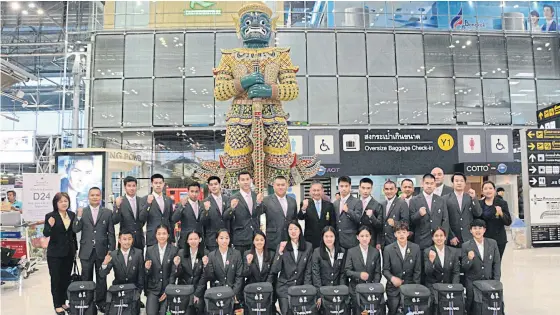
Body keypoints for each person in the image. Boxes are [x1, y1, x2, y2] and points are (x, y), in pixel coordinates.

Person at [73, 187, 115, 312]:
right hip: (86, 251)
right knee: (86, 278)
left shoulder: (107, 212)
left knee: (101, 278)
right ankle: (87, 301)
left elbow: (111, 233)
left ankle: (101, 302)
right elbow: (76, 229)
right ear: (88, 197)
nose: (95, 197)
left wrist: (111, 251)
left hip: (102, 251)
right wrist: (78, 217)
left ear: (101, 197)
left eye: (97, 195)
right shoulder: (82, 211)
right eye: (92, 195)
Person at [44, 192, 77, 315]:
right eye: (61, 201)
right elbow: (46, 233)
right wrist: (50, 225)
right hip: (55, 254)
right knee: (56, 280)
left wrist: (75, 250)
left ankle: (64, 302)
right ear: (56, 203)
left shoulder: (72, 215)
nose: (64, 203)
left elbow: (72, 234)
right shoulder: (50, 216)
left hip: (69, 253)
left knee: (65, 279)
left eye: (66, 201)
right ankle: (57, 305)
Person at [270, 221, 313, 315]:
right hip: (284, 288)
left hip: (300, 287)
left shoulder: (308, 246)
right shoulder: (282, 246)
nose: (293, 231)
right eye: (290, 229)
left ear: (300, 231)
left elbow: (308, 271)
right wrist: (280, 253)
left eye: (295, 229)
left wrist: (306, 289)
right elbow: (275, 269)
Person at [99, 230, 145, 314]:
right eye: (124, 239)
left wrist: (138, 292)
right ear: (119, 240)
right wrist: (104, 264)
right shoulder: (113, 254)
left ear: (132, 240)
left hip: (133, 290)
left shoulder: (138, 253)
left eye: (129, 239)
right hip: (118, 290)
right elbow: (102, 275)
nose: (127, 242)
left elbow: (141, 275)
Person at [462, 219, 501, 313]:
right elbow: (464, 267)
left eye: (480, 228)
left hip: (489, 282)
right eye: (475, 228)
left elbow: (496, 264)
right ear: (471, 230)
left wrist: (495, 282)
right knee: (472, 308)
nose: (478, 231)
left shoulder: (493, 243)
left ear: (484, 230)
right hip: (473, 284)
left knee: (489, 308)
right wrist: (469, 259)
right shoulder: (466, 246)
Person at [382, 222, 421, 315]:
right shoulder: (388, 249)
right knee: (393, 311)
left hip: (410, 288)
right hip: (393, 289)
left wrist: (414, 288)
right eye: (398, 232)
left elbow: (417, 271)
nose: (401, 235)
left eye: (404, 232)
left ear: (408, 233)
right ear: (395, 234)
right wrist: (392, 278)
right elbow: (385, 270)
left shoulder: (415, 248)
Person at [344, 226, 382, 314]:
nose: (364, 238)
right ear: (357, 237)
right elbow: (347, 271)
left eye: (367, 236)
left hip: (371, 291)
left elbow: (377, 272)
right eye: (362, 236)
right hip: (355, 290)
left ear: (370, 237)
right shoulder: (351, 251)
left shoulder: (375, 252)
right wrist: (359, 275)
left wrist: (374, 287)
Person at [201, 229, 244, 306]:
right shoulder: (211, 255)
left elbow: (239, 276)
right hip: (217, 293)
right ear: (216, 240)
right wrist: (206, 265)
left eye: (227, 238)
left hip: (233, 293)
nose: (224, 241)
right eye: (221, 238)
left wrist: (233, 293)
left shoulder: (236, 254)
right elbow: (210, 277)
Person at [223, 171, 262, 255]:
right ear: (238, 181)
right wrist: (232, 208)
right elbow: (225, 217)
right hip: (240, 239)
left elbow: (257, 214)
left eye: (247, 179)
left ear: (251, 180)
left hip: (255, 237)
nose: (245, 182)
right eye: (243, 180)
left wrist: (259, 204)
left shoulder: (256, 196)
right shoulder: (233, 198)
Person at [257, 176, 298, 253]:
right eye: (278, 185)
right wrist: (258, 203)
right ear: (273, 186)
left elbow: (295, 220)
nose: (280, 187)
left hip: (289, 239)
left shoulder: (292, 201)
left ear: (287, 186)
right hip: (273, 240)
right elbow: (257, 214)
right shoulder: (266, 200)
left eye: (283, 185)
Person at [144, 225, 179, 315]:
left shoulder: (174, 250)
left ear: (168, 235)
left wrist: (168, 290)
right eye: (159, 234)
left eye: (164, 233)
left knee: (165, 313)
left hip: (167, 288)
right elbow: (147, 273)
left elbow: (173, 273)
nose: (161, 236)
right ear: (155, 235)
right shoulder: (150, 250)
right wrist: (147, 269)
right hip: (153, 289)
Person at [423, 227, 460, 310]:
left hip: (448, 287)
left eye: (441, 235)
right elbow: (427, 273)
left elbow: (456, 272)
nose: (439, 238)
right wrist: (431, 261)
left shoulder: (453, 251)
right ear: (432, 238)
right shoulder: (427, 251)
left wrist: (454, 288)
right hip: (433, 288)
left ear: (445, 237)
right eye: (436, 236)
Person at [409, 174, 449, 250]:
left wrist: (444, 238)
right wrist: (419, 214)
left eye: (431, 183)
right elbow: (411, 220)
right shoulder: (414, 200)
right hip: (421, 241)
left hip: (438, 241)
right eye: (427, 183)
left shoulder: (441, 200)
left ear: (435, 185)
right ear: (422, 184)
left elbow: (445, 220)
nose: (429, 186)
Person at [173, 230, 208, 315]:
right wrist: (177, 266)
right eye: (191, 239)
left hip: (198, 289)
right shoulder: (181, 253)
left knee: (200, 307)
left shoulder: (205, 253)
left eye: (195, 239)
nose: (193, 241)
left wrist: (197, 294)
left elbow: (205, 277)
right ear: (187, 241)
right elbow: (178, 275)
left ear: (200, 239)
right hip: (184, 289)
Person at [445, 173, 482, 248]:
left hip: (469, 237)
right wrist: (451, 236)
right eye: (456, 181)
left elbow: (478, 213)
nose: (459, 183)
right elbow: (444, 220)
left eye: (461, 181)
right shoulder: (445, 199)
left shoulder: (470, 197)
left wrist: (474, 198)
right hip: (453, 239)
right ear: (453, 183)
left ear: (465, 183)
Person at [298, 181, 336, 249]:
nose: (316, 193)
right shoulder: (305, 204)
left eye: (318, 190)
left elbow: (332, 223)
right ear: (310, 191)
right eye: (314, 190)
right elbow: (300, 218)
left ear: (322, 191)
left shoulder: (329, 205)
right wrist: (303, 208)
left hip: (326, 240)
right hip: (310, 241)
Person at [139, 174, 175, 247]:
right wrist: (148, 204)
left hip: (167, 238)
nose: (158, 185)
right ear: (152, 184)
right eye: (156, 183)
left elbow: (171, 221)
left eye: (160, 183)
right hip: (152, 238)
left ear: (163, 184)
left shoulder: (168, 200)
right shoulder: (144, 199)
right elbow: (141, 218)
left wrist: (172, 239)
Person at [479, 181, 512, 258]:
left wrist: (501, 213)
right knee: (485, 264)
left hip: (499, 239)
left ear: (494, 190)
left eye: (490, 188)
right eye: (485, 189)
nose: (488, 190)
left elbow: (508, 222)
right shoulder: (479, 203)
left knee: (496, 264)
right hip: (484, 239)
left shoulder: (502, 203)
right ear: (482, 191)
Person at [113, 176, 145, 252]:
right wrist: (117, 206)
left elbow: (143, 219)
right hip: (125, 240)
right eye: (129, 186)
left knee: (139, 262)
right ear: (125, 187)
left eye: (134, 186)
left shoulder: (142, 201)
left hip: (139, 240)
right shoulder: (120, 201)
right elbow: (115, 220)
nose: (132, 188)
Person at [312, 226, 347, 291]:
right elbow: (316, 274)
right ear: (322, 237)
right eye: (326, 236)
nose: (329, 239)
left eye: (331, 236)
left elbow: (343, 273)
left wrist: (342, 290)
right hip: (323, 289)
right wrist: (319, 293)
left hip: (338, 289)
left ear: (335, 237)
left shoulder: (342, 251)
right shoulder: (317, 252)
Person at [333, 176, 363, 250]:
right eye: (341, 186)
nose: (344, 188)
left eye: (346, 186)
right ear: (338, 187)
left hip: (351, 241)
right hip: (337, 241)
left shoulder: (357, 202)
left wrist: (348, 211)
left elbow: (358, 219)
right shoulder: (335, 203)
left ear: (350, 187)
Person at [201, 176, 229, 252]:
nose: (214, 186)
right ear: (209, 187)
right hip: (212, 240)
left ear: (220, 185)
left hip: (226, 239)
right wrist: (206, 211)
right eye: (211, 185)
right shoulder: (204, 202)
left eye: (216, 184)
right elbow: (203, 222)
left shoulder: (227, 199)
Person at [173, 182, 204, 249]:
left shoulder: (202, 205)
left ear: (199, 192)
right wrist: (182, 206)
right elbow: (174, 219)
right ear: (188, 192)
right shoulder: (180, 205)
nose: (194, 194)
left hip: (199, 241)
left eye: (196, 191)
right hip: (185, 241)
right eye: (192, 191)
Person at [379, 180, 409, 249]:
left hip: (396, 242)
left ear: (396, 190)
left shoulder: (402, 203)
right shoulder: (382, 204)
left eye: (391, 189)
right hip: (383, 243)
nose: (389, 191)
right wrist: (379, 241)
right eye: (386, 189)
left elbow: (406, 223)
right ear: (383, 190)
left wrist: (395, 223)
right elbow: (380, 225)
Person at [358, 178, 384, 248]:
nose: (365, 191)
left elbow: (379, 225)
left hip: (371, 241)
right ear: (359, 187)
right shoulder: (355, 202)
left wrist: (371, 216)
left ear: (371, 189)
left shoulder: (377, 205)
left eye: (368, 188)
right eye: (363, 188)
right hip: (355, 241)